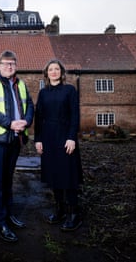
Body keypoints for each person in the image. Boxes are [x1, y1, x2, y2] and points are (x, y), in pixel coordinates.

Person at [0, 50, 34, 242]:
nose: (9, 67)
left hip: (16, 139)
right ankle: (0, 222)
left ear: (15, 66)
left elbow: (29, 106)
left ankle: (9, 214)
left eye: (12, 64)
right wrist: (10, 123)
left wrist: (25, 122)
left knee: (8, 179)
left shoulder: (21, 84)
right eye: (5, 63)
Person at [34, 59, 83, 231]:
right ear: (46, 73)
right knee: (54, 175)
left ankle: (74, 214)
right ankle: (60, 210)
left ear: (61, 73)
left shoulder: (70, 90)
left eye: (56, 69)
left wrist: (71, 137)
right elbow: (38, 117)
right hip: (48, 137)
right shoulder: (43, 93)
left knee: (68, 175)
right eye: (50, 69)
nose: (53, 72)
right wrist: (38, 139)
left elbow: (75, 116)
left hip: (65, 137)